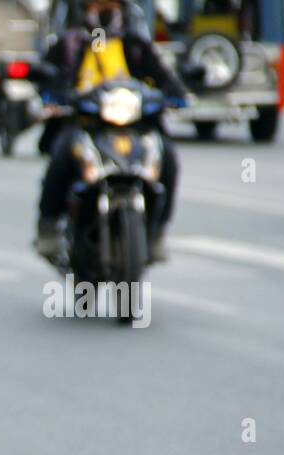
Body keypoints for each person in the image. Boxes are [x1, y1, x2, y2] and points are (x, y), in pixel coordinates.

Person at [33, 0, 187, 261]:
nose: (105, 6)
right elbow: (48, 77)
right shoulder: (70, 43)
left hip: (133, 125)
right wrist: (53, 95)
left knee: (168, 158)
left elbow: (167, 82)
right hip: (84, 124)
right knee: (60, 157)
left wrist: (175, 95)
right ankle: (47, 227)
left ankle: (157, 231)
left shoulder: (136, 44)